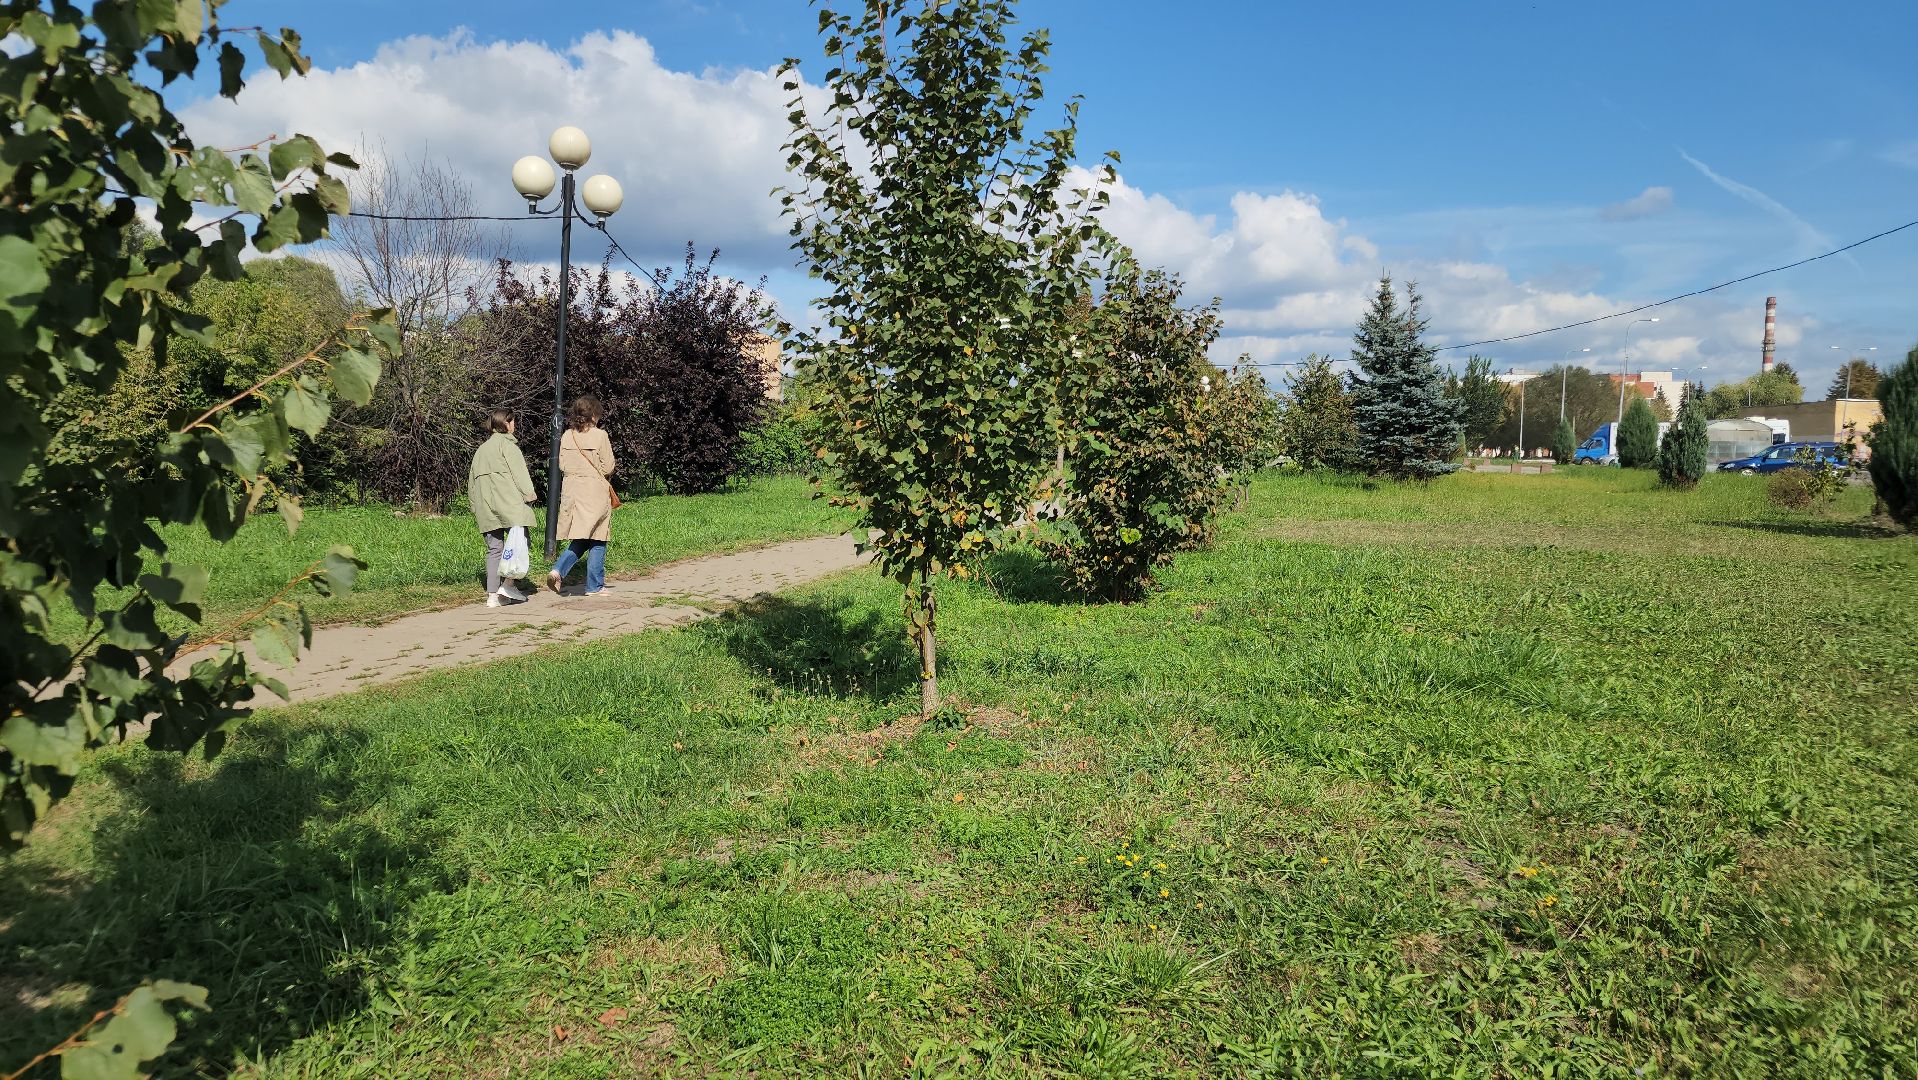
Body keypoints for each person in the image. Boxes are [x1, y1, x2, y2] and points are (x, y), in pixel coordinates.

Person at [547, 395, 616, 597]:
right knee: (598, 537)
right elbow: (609, 466)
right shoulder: (600, 435)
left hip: (571, 491)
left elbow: (561, 465)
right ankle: (594, 586)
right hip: (593, 490)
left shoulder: (567, 435)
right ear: (594, 414)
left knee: (580, 536)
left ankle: (558, 569)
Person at [468, 409, 538, 608]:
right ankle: (508, 585)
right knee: (520, 542)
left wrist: (474, 505)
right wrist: (529, 496)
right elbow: (520, 474)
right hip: (510, 504)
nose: (514, 425)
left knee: (494, 549)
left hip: (486, 507)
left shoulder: (480, 450)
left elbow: (471, 482)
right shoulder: (508, 447)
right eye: (512, 421)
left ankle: (492, 596)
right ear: (505, 424)